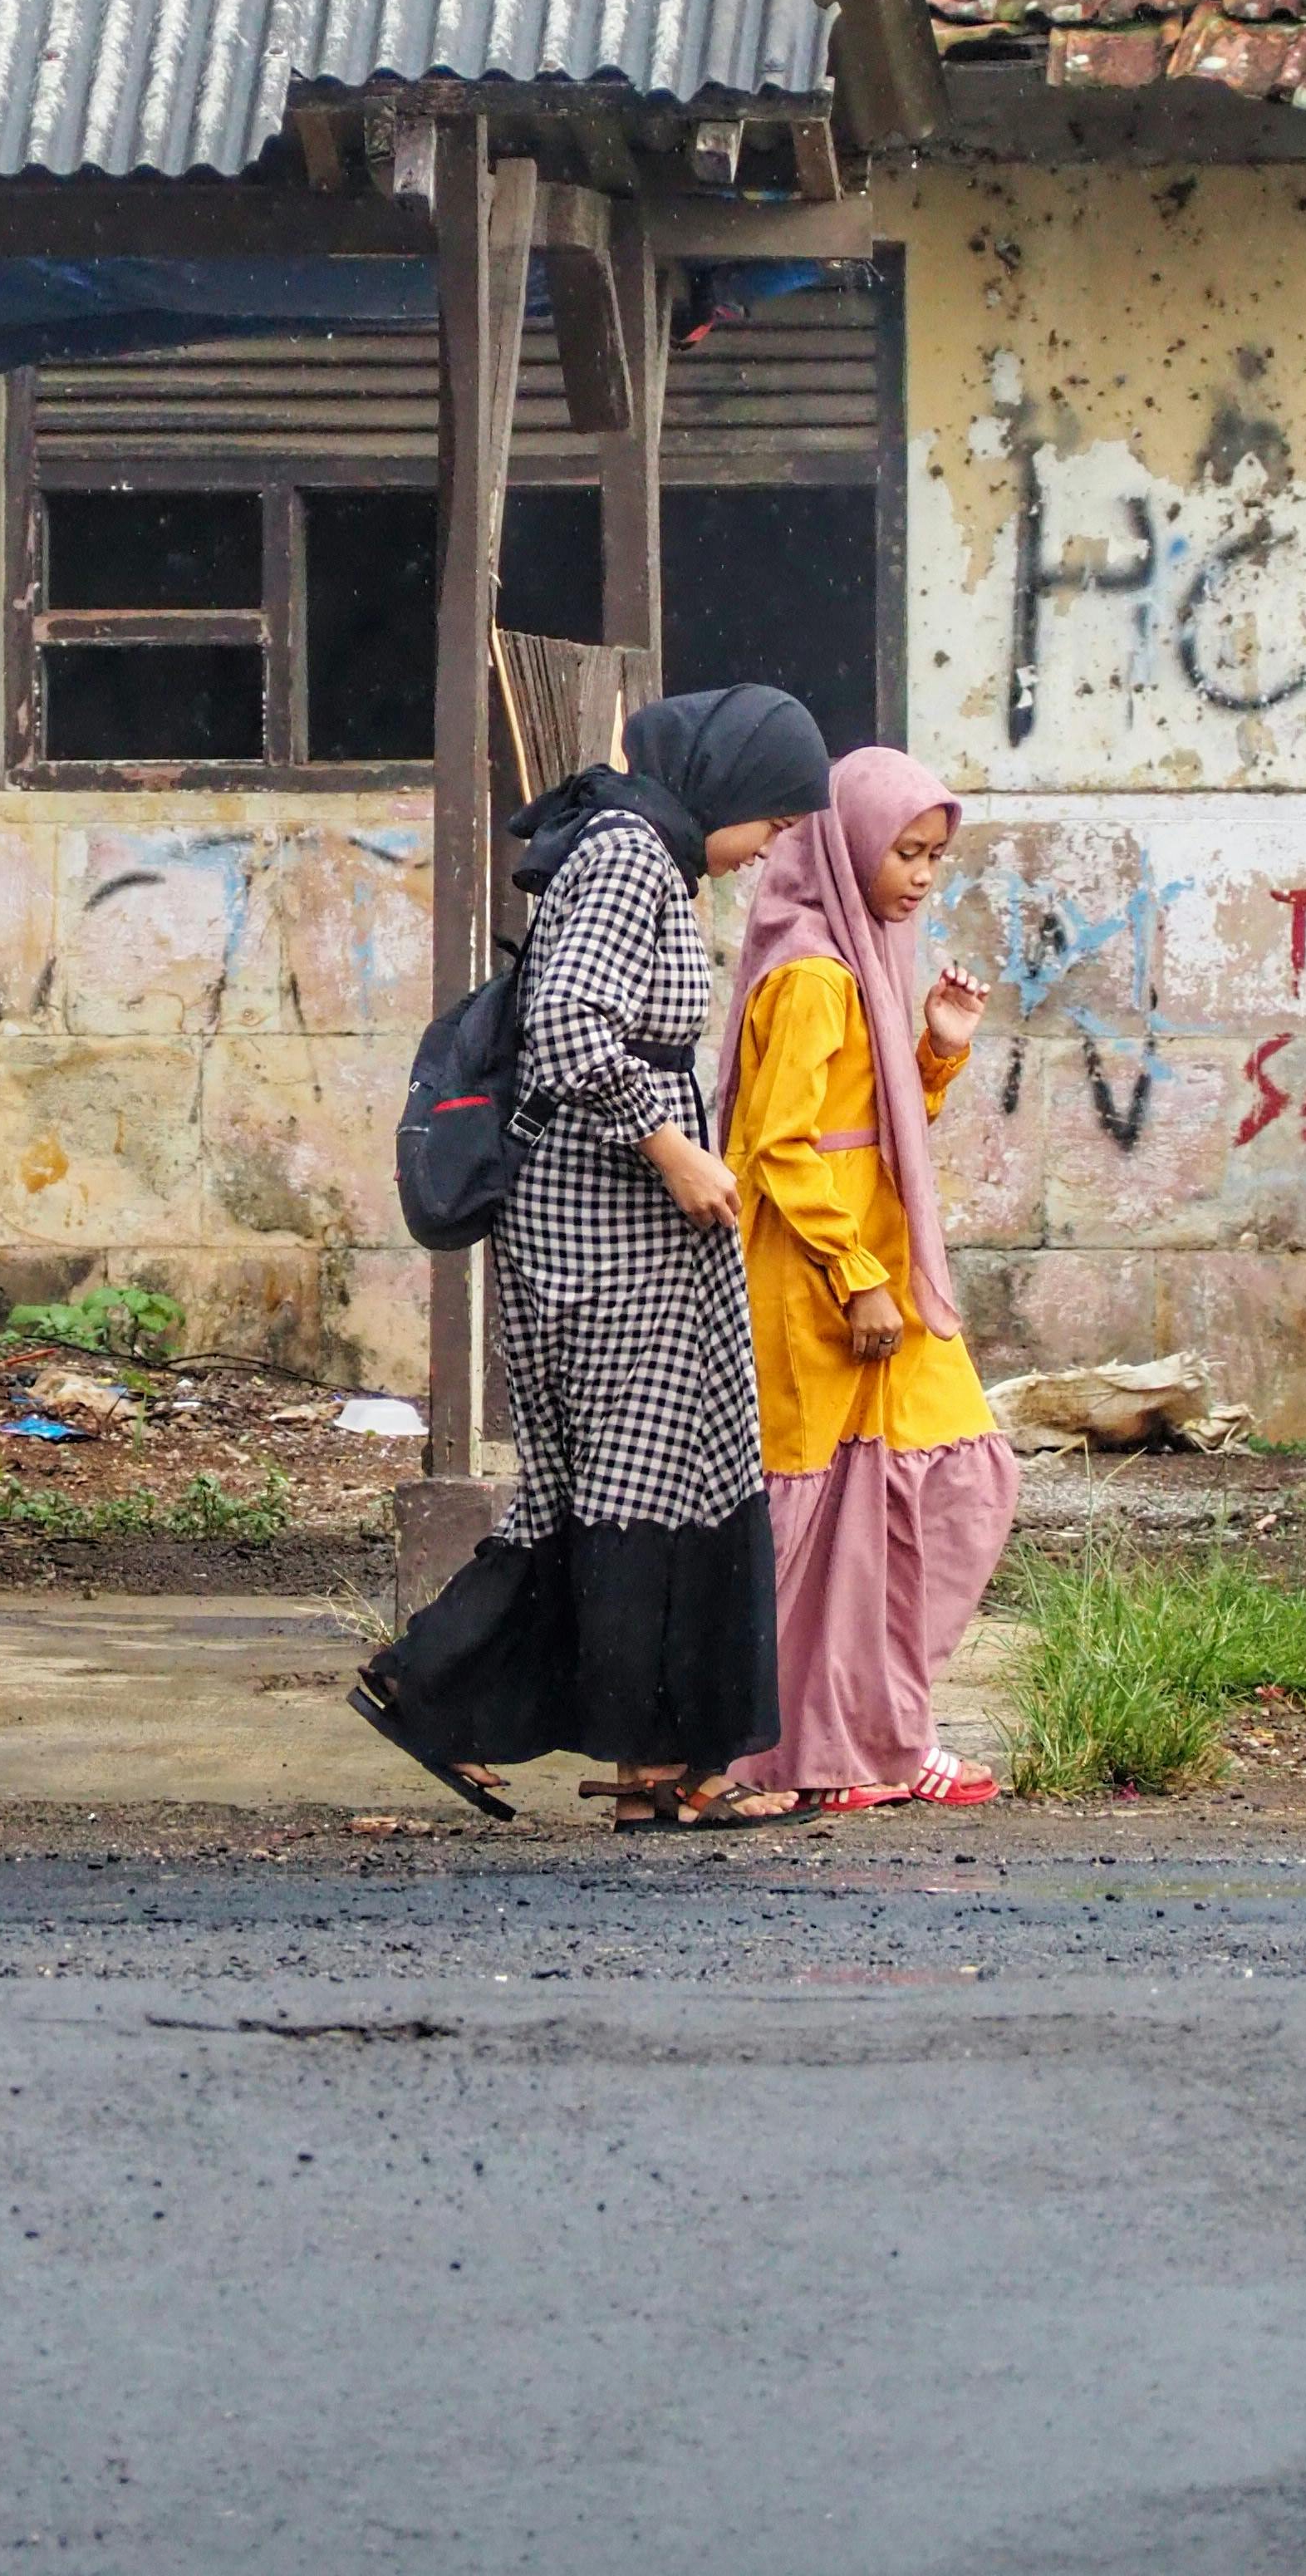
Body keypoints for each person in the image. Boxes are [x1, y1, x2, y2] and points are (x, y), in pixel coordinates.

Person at [355, 685, 834, 1831]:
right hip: (604, 1237)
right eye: (773, 819)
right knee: (637, 1495)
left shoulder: (645, 854)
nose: (775, 846)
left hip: (607, 1236)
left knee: (619, 1495)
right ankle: (636, 1765)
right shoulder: (630, 857)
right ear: (726, 784)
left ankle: (547, 1734)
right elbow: (572, 1021)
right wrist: (672, 1150)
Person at [718, 746, 1018, 1812]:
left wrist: (937, 1054)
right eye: (906, 851)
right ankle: (819, 1751)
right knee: (823, 1524)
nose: (922, 875)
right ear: (847, 844)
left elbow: (873, 1130)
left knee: (947, 1492)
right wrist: (855, 1278)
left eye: (936, 856)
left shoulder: (864, 958)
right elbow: (779, 1147)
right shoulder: (810, 973)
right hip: (818, 1286)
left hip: (878, 1279)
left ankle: (876, 1739)